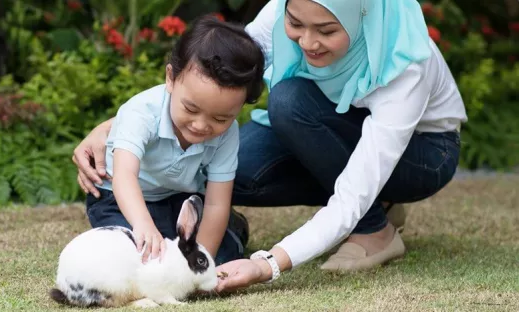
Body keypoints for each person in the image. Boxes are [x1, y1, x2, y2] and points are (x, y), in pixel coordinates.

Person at [73, 0, 467, 292]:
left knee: (289, 101)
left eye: (326, 31)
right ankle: (378, 201)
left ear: (359, 15)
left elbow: (349, 197)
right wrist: (113, 128)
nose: (307, 42)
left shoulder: (405, 65)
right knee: (220, 174)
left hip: (422, 153)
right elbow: (212, 67)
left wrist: (268, 264)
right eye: (295, 23)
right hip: (322, 128)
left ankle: (373, 229)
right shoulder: (280, 13)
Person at [79, 16, 265, 266]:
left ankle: (233, 228)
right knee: (133, 257)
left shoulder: (228, 133)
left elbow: (216, 203)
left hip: (178, 198)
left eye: (220, 118)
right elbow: (124, 176)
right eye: (190, 108)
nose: (201, 125)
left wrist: (202, 262)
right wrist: (143, 224)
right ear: (171, 78)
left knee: (222, 256)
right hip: (119, 198)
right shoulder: (142, 112)